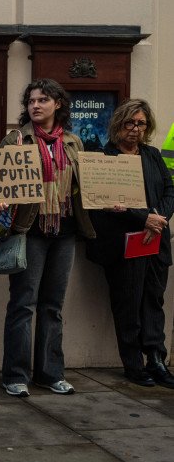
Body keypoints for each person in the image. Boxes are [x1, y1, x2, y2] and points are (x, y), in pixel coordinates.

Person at [0, 79, 95, 398]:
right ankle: (16, 375)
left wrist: (108, 198)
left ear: (58, 105)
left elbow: (85, 188)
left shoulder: (73, 143)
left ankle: (50, 374)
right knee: (23, 304)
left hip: (65, 233)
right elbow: (0, 182)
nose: (35, 106)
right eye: (31, 101)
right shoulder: (15, 139)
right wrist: (0, 197)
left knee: (53, 306)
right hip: (30, 232)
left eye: (43, 100)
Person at [86, 99, 174, 389]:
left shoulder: (151, 155)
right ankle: (134, 364)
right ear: (118, 124)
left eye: (141, 124)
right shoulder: (105, 157)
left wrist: (158, 218)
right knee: (128, 303)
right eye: (130, 122)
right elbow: (105, 202)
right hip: (124, 245)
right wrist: (144, 219)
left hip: (156, 242)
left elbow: (171, 188)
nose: (135, 129)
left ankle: (157, 360)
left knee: (153, 300)